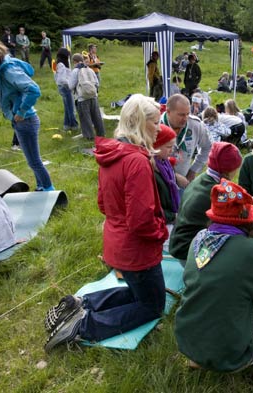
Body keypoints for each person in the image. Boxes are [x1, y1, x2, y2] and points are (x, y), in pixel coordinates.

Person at [44, 94, 168, 352]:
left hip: (116, 241)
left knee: (138, 292)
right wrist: (160, 233)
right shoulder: (137, 160)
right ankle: (84, 325)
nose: (159, 128)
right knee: (153, 305)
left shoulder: (112, 152)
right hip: (137, 249)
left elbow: (102, 203)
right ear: (140, 123)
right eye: (155, 122)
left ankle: (83, 303)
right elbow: (141, 221)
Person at [174, 179, 253, 389]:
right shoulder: (250, 252)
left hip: (188, 343)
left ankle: (198, 358)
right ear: (246, 220)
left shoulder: (199, 239)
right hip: (231, 356)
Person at [0, 35, 54, 191]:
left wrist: (21, 111)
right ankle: (42, 187)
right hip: (21, 121)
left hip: (25, 120)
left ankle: (48, 189)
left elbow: (33, 89)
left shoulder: (8, 69)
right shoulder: (1, 69)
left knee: (34, 161)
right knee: (33, 161)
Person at [169, 142, 253, 264]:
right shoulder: (221, 193)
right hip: (192, 255)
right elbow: (251, 225)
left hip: (179, 246)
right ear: (229, 170)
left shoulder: (200, 180)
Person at [160, 94, 212, 188]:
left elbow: (208, 147)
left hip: (184, 182)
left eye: (188, 114)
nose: (185, 118)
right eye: (181, 115)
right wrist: (174, 176)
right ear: (168, 112)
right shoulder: (156, 126)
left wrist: (194, 170)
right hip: (160, 181)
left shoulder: (195, 125)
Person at [153, 124, 180, 249]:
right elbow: (154, 208)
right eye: (168, 146)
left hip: (169, 217)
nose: (171, 150)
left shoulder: (164, 163)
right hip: (162, 223)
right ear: (156, 146)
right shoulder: (152, 171)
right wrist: (172, 216)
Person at [69, 53, 105, 140]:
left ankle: (89, 136)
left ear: (74, 61)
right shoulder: (89, 69)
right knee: (96, 116)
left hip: (82, 98)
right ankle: (101, 133)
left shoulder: (75, 71)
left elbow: (71, 86)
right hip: (93, 96)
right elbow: (97, 83)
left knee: (85, 118)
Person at [54, 48, 78, 132]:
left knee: (67, 107)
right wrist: (70, 84)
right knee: (71, 107)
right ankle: (74, 125)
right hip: (65, 87)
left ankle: (66, 125)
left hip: (63, 87)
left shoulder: (61, 64)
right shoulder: (61, 65)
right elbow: (61, 79)